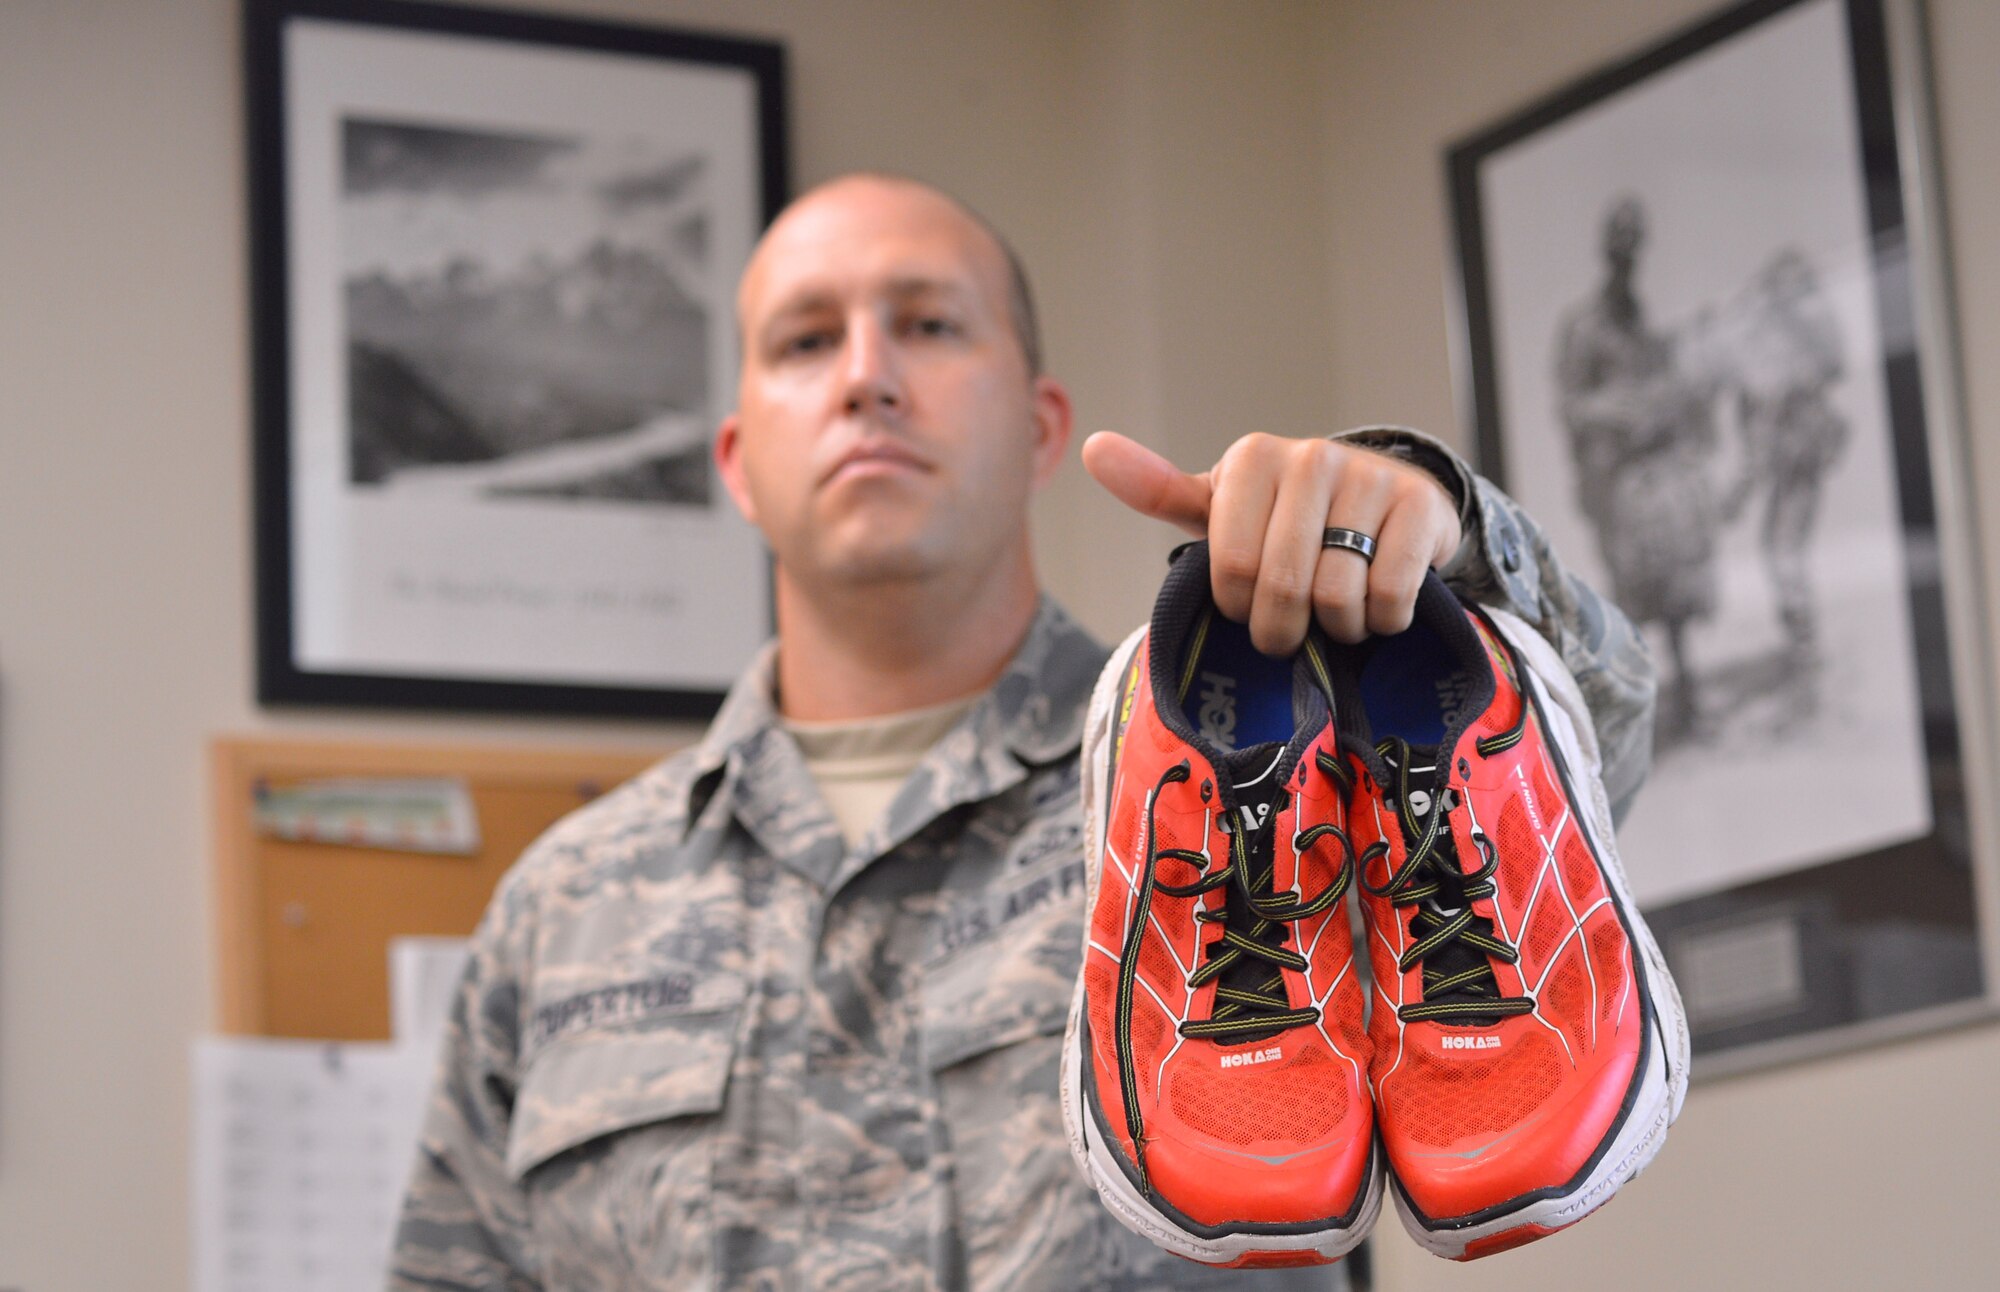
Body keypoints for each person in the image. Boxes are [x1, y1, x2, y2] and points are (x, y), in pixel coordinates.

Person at [388, 173, 1655, 1291]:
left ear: (1041, 422)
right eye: (803, 339)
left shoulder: (1279, 756)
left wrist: (1444, 540)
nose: (864, 373)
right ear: (735, 458)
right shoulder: (561, 908)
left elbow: (1599, 749)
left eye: (928, 324)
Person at [1555, 195, 1719, 742]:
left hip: (1656, 473)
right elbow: (1573, 403)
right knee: (1633, 588)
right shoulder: (1585, 326)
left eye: (1635, 243)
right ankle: (1637, 713)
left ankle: (1688, 694)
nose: (1628, 254)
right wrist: (1622, 411)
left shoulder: (1642, 320)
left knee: (1676, 586)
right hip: (1619, 480)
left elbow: (1668, 383)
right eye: (1620, 242)